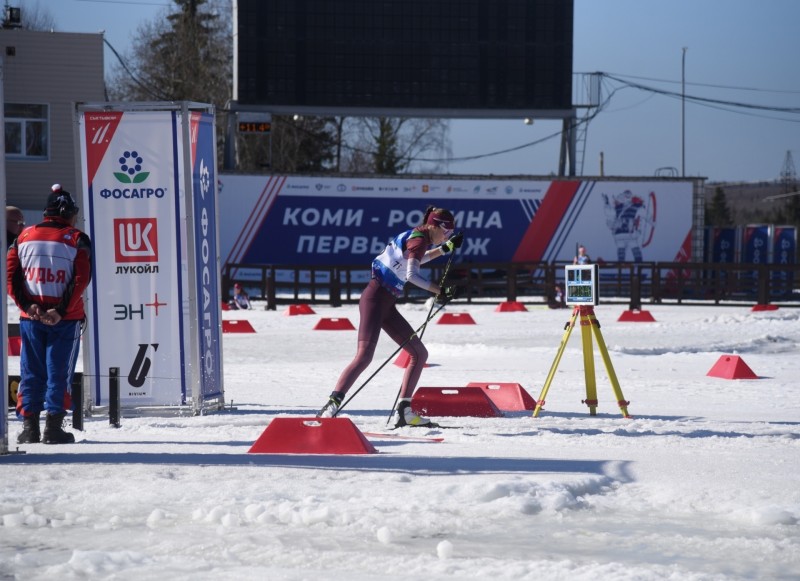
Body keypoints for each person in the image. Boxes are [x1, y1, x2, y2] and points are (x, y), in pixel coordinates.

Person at [317, 206, 463, 427]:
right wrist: (439, 291)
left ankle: (404, 412)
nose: (447, 236)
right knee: (364, 356)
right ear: (434, 226)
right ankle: (330, 406)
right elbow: (411, 275)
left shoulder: (418, 237)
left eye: (450, 234)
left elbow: (415, 261)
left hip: (386, 305)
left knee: (419, 353)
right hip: (374, 301)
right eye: (447, 232)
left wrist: (444, 249)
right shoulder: (419, 240)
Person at [7, 184, 92, 444]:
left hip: (31, 319)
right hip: (65, 320)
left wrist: (28, 307)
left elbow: (10, 277)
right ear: (67, 213)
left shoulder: (22, 237)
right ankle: (53, 428)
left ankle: (30, 428)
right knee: (59, 374)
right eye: (74, 213)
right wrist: (60, 311)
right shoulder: (77, 239)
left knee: (30, 372)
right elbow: (81, 279)